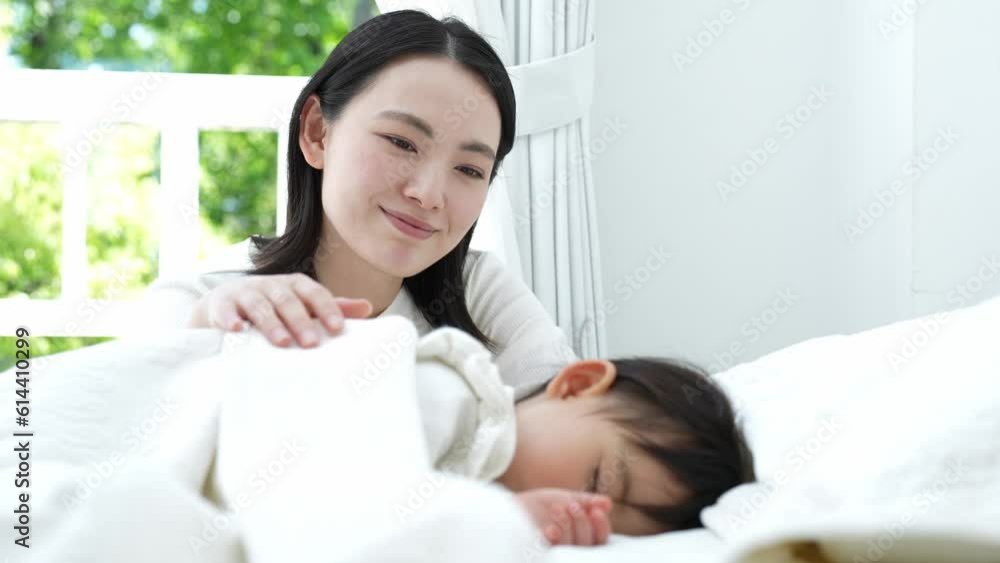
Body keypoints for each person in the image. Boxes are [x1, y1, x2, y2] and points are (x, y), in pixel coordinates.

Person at [144, 9, 576, 395]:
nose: (428, 194)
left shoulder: (479, 295)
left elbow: (576, 422)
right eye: (401, 143)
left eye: (468, 169)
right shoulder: (201, 304)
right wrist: (205, 341)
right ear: (317, 133)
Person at [414, 326, 754, 547]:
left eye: (605, 531)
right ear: (578, 385)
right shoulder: (453, 396)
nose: (576, 512)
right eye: (596, 481)